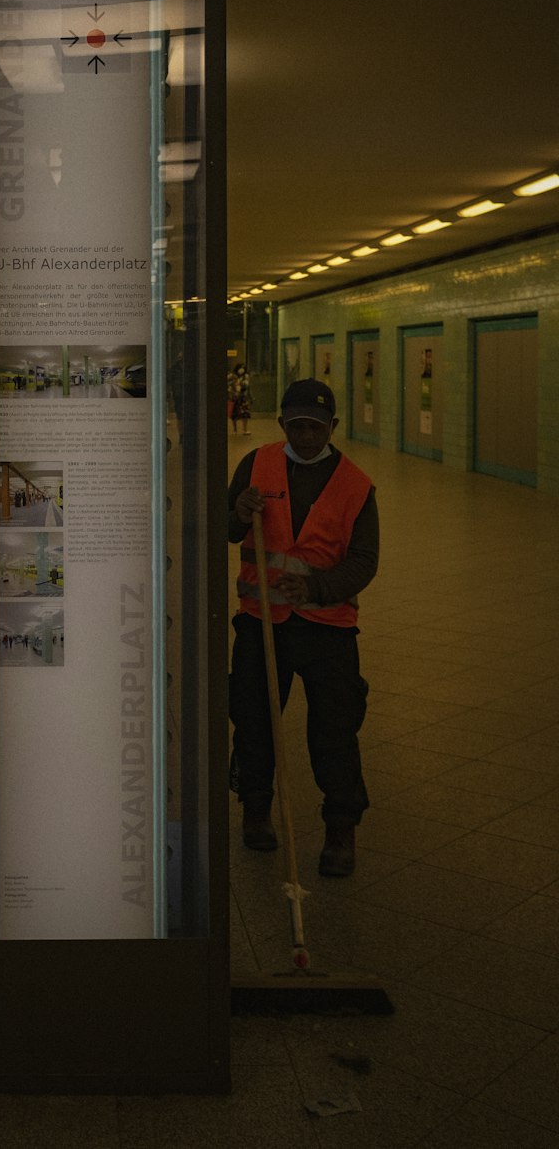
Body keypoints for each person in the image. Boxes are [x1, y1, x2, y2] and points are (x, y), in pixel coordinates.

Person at [227, 378, 379, 876]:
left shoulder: (356, 485)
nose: (306, 435)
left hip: (327, 629)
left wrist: (315, 589)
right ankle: (255, 809)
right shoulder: (257, 464)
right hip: (260, 623)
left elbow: (363, 561)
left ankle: (341, 829)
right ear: (283, 424)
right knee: (255, 722)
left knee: (334, 732)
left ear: (333, 426)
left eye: (316, 426)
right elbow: (227, 530)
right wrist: (237, 512)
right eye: (296, 426)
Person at [228, 363, 252, 435]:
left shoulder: (245, 377)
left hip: (243, 397)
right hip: (234, 397)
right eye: (241, 368)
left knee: (245, 413)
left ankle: (245, 429)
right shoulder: (232, 376)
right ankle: (235, 430)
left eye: (244, 368)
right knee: (234, 414)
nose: (242, 370)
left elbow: (247, 386)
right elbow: (229, 385)